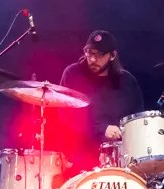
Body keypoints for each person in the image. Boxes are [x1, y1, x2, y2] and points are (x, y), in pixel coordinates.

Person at [57, 30, 144, 168]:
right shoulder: (73, 74)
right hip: (81, 156)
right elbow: (65, 116)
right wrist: (102, 130)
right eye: (89, 53)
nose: (92, 59)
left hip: (120, 159)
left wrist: (122, 132)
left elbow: (137, 120)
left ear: (112, 55)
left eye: (99, 55)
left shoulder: (127, 81)